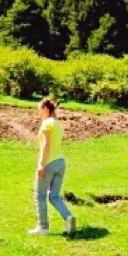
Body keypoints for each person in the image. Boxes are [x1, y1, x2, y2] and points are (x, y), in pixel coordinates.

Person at [29, 98, 77, 237]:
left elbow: (46, 145)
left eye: (39, 110)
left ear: (45, 108)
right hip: (60, 162)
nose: (39, 113)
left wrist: (41, 164)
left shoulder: (46, 124)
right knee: (54, 195)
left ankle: (43, 228)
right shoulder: (58, 124)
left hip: (49, 163)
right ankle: (68, 217)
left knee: (40, 195)